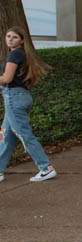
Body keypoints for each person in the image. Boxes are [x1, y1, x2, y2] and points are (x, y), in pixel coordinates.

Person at [0, 26, 56, 183]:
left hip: (14, 98)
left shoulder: (15, 55)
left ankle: (46, 168)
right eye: (8, 36)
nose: (10, 39)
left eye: (14, 37)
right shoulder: (22, 54)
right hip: (20, 96)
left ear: (22, 40)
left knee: (24, 134)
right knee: (6, 134)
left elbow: (7, 79)